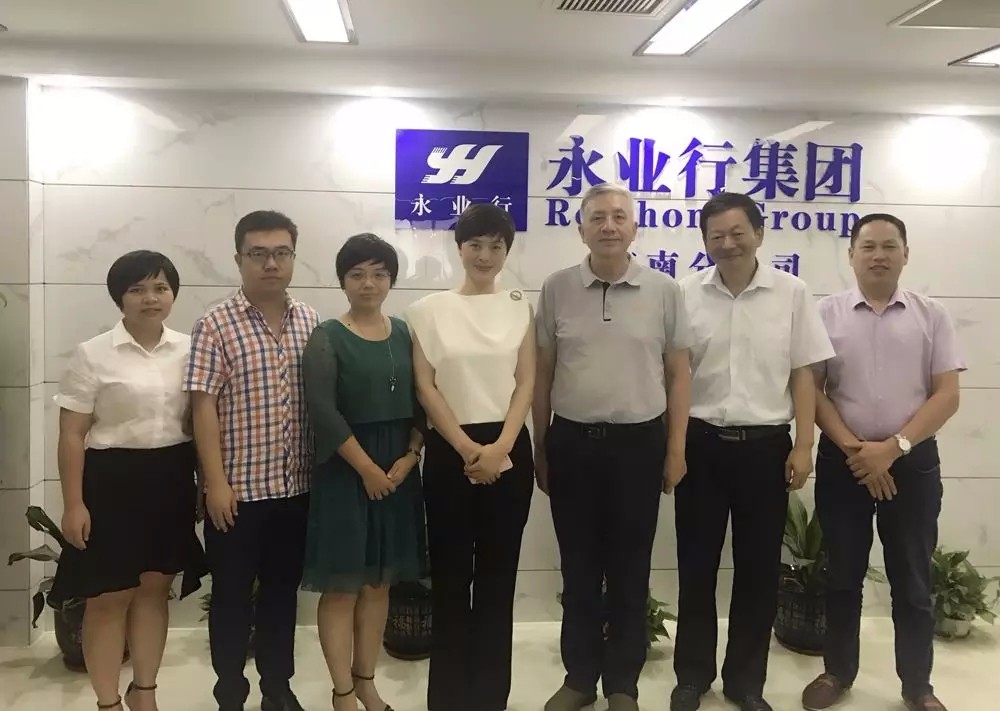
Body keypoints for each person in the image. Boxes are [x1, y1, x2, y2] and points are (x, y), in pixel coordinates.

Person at [671, 192, 834, 711]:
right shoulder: (685, 293)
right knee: (695, 566)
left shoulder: (792, 293)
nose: (728, 243)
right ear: (704, 241)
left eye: (737, 232)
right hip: (700, 446)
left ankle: (745, 682)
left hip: (765, 450)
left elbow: (804, 373)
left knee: (759, 571)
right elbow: (674, 375)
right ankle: (692, 676)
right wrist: (673, 447)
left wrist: (804, 444)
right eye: (716, 235)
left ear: (759, 234)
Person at [533, 183, 693, 711]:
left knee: (630, 569)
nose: (609, 225)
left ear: (634, 227)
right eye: (598, 217)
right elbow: (543, 372)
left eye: (619, 216)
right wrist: (541, 446)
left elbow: (678, 372)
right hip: (572, 443)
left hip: (639, 446)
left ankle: (623, 684)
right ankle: (580, 678)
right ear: (581, 229)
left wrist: (676, 448)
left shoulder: (664, 289)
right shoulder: (557, 288)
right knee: (578, 568)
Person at [801, 214, 963, 711]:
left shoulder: (931, 315)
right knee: (842, 574)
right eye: (867, 246)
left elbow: (947, 395)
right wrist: (857, 450)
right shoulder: (825, 313)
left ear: (906, 254)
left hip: (911, 463)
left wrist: (892, 448)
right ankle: (837, 671)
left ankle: (918, 686)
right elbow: (812, 390)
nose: (878, 255)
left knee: (912, 579)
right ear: (850, 255)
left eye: (889, 246)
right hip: (844, 462)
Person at [51, 250, 206, 711]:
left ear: (173, 294)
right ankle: (108, 702)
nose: (150, 298)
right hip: (110, 484)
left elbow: (200, 424)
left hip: (171, 479)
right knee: (108, 598)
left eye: (160, 288)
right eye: (137, 289)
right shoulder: (93, 353)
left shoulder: (191, 349)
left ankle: (145, 694)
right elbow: (72, 434)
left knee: (154, 593)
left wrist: (202, 484)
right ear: (119, 297)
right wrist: (73, 503)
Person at [185, 210, 320, 711]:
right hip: (237, 494)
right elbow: (202, 407)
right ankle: (230, 694)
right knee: (231, 597)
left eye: (281, 253)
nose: (271, 264)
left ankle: (277, 690)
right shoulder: (215, 324)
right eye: (258, 254)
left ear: (293, 257)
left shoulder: (311, 322)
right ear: (239, 258)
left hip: (296, 490)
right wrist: (214, 483)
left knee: (283, 595)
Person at [405, 203, 535, 711]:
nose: (485, 255)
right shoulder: (427, 311)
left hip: (508, 451)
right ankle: (448, 699)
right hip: (448, 453)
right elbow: (425, 386)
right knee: (451, 579)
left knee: (498, 580)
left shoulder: (520, 307)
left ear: (507, 251)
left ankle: (489, 698)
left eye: (496, 246)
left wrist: (501, 447)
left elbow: (526, 382)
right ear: (459, 249)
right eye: (475, 245)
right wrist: (464, 447)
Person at [300, 233, 426, 711]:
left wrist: (411, 455)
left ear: (391, 280)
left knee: (378, 585)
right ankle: (342, 693)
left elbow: (424, 399)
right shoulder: (327, 336)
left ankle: (367, 682)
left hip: (398, 470)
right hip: (346, 471)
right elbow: (323, 411)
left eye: (379, 274)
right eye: (357, 274)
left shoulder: (405, 332)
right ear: (342, 281)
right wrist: (368, 469)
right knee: (342, 586)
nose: (368, 283)